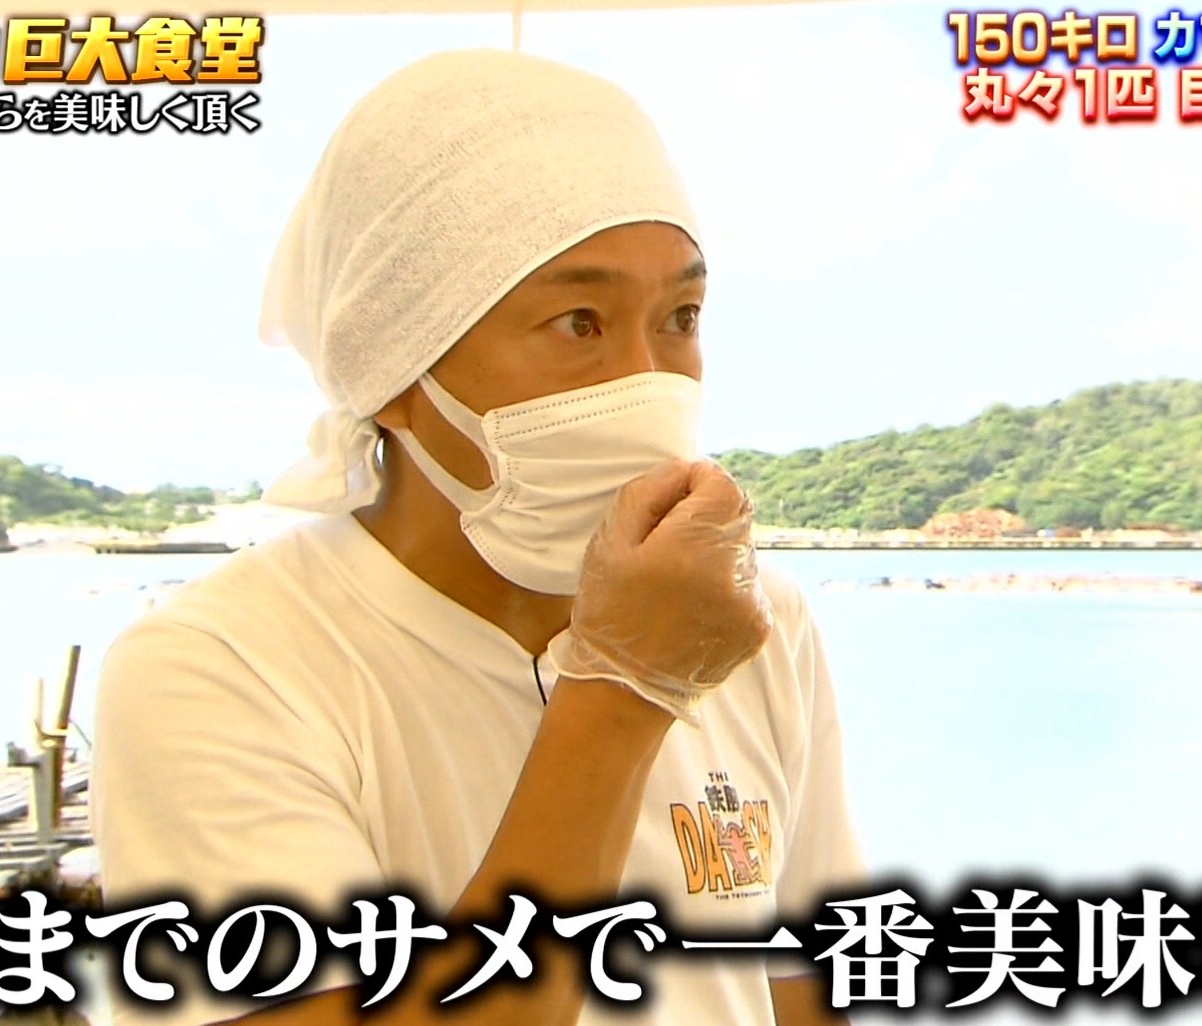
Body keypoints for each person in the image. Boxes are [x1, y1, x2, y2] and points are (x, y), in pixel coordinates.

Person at [91, 48, 863, 1026]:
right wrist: (625, 689)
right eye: (579, 323)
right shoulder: (223, 668)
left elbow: (805, 991)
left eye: (680, 317)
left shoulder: (757, 625)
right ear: (395, 371)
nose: (645, 380)